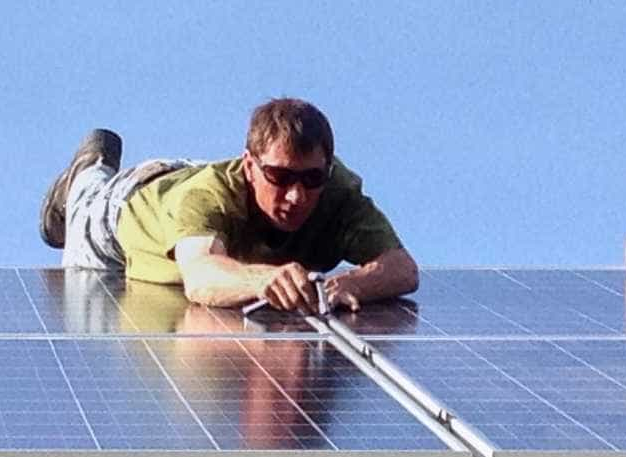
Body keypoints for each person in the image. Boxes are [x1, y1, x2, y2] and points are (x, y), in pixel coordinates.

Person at [39, 98, 418, 313]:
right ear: (250, 166)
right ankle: (91, 166)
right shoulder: (206, 197)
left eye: (311, 179)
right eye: (281, 178)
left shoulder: (339, 197)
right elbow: (201, 277)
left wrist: (351, 283)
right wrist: (263, 279)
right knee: (83, 290)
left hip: (198, 185)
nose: (296, 196)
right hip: (130, 208)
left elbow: (402, 268)